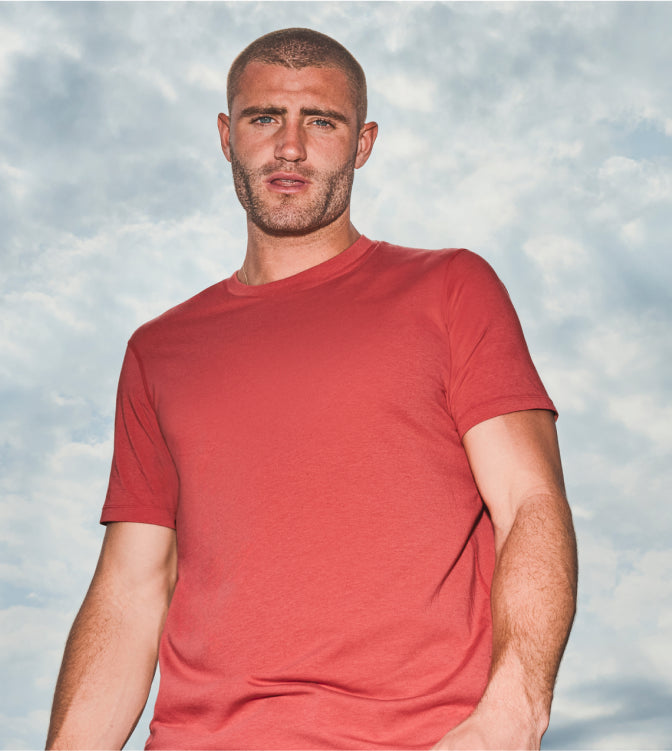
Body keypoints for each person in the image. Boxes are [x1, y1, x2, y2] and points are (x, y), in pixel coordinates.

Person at [46, 27, 577, 751]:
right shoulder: (157, 351)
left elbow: (530, 503)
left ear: (362, 143)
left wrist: (511, 718)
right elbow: (132, 587)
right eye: (266, 118)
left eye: (320, 122)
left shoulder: (450, 289)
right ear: (228, 136)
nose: (289, 147)